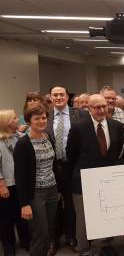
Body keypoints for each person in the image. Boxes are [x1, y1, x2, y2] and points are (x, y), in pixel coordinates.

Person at [66, 94, 124, 256]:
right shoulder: (78, 128)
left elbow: (117, 151)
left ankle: (103, 245)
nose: (101, 110)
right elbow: (70, 155)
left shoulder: (117, 126)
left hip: (107, 179)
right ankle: (83, 249)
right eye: (96, 107)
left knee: (106, 214)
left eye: (103, 106)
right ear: (89, 109)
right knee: (83, 219)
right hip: (82, 180)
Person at [45, 86, 89, 253]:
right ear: (50, 97)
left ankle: (72, 236)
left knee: (72, 204)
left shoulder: (80, 114)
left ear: (67, 97)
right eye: (55, 95)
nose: (58, 97)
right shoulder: (45, 115)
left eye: (61, 94)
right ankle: (53, 239)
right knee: (52, 205)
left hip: (73, 166)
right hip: (51, 167)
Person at [13, 103, 58, 256]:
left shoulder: (48, 137)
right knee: (41, 233)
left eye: (44, 118)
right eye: (37, 118)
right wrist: (24, 204)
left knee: (50, 231)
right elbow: (20, 177)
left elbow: (54, 165)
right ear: (29, 121)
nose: (41, 121)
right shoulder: (23, 144)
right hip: (35, 193)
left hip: (52, 189)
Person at [0, 109, 30, 256]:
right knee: (6, 218)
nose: (18, 120)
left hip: (21, 184)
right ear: (6, 123)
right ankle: (9, 245)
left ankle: (25, 240)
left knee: (22, 215)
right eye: (14, 119)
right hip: (5, 185)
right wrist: (2, 185)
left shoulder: (22, 138)